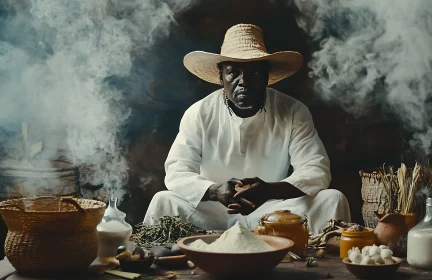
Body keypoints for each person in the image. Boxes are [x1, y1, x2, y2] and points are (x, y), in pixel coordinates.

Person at [143, 24, 350, 234]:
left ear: (267, 76)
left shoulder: (293, 111)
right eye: (233, 72)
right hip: (212, 211)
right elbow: (177, 172)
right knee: (164, 201)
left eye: (255, 72)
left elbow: (316, 169)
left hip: (272, 210)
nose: (244, 82)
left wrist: (269, 190)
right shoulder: (199, 113)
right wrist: (214, 191)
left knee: (332, 199)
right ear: (220, 76)